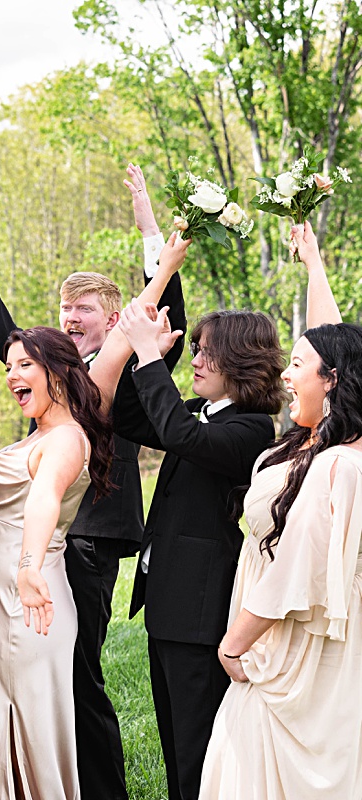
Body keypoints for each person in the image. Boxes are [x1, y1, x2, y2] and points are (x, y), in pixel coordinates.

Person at [0, 168, 184, 800]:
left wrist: (153, 236)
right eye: (65, 309)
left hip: (89, 541)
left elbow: (160, 310)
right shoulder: (45, 366)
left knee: (76, 681)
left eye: (83, 310)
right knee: (35, 682)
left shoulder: (126, 368)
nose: (70, 317)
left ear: (112, 318)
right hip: (24, 554)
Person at [200, 224, 362, 799]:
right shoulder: (326, 444)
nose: (285, 374)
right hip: (311, 643)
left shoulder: (335, 465)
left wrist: (233, 643)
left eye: (297, 366)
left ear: (334, 382)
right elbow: (333, 340)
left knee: (251, 767)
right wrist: (315, 262)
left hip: (290, 647)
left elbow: (293, 572)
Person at [114, 300, 285, 799]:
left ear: (241, 363)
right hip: (169, 605)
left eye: (208, 354)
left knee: (198, 746)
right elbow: (128, 416)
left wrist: (148, 355)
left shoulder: (253, 428)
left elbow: (179, 435)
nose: (197, 362)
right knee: (173, 739)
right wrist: (153, 358)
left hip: (201, 611)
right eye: (195, 351)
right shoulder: (198, 413)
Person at [0, 326, 117, 799]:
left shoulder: (67, 439)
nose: (12, 376)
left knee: (26, 723)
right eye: (9, 367)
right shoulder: (48, 429)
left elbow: (44, 499)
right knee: (0, 714)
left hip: (26, 601)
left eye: (24, 365)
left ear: (59, 371)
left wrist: (28, 568)